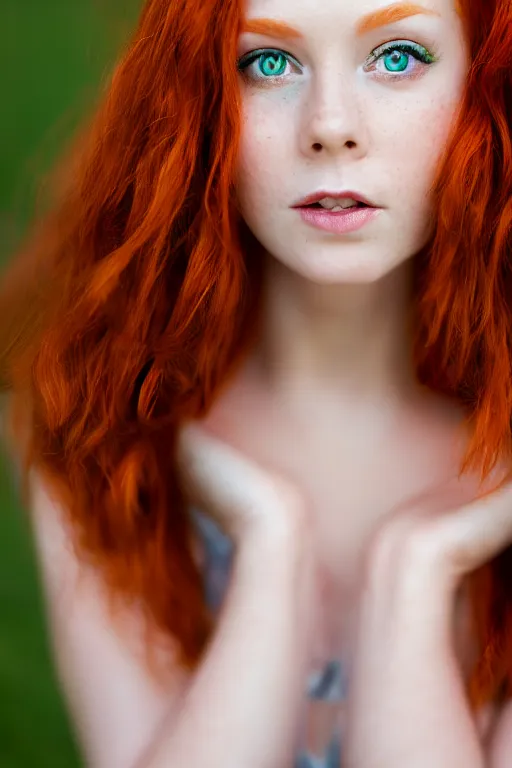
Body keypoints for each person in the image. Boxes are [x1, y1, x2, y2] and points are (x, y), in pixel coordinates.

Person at [1, 0, 512, 765]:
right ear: (196, 106)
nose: (330, 124)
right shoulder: (89, 419)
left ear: (487, 92)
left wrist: (416, 569)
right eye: (268, 62)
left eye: (398, 56)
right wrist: (271, 541)